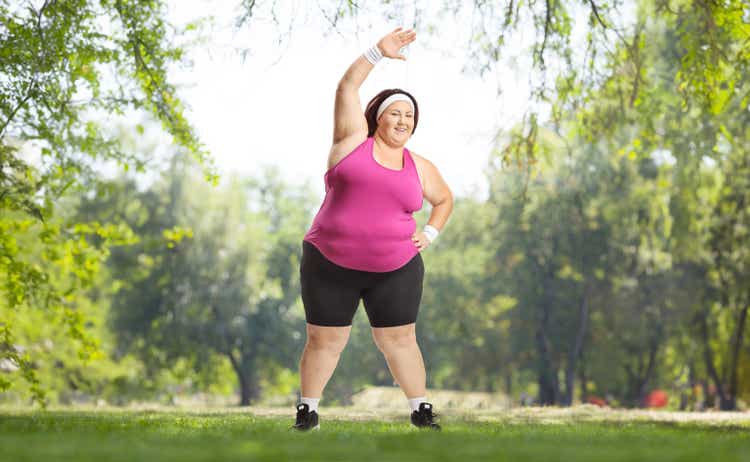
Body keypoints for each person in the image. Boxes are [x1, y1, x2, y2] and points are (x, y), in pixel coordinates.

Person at [292, 27, 453, 431]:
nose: (402, 120)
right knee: (325, 341)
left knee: (399, 341)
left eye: (409, 116)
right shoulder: (351, 142)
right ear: (378, 117)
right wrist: (377, 52)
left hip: (396, 266)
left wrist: (430, 233)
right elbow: (347, 86)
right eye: (395, 113)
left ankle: (421, 409)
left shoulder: (421, 166)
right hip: (330, 263)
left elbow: (445, 200)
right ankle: (308, 410)